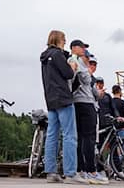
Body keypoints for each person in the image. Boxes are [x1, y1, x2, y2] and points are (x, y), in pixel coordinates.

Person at [40, 30, 87, 184]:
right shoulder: (58, 55)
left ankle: (51, 172)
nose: (65, 42)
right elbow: (67, 74)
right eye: (64, 40)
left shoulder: (45, 57)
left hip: (50, 99)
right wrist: (73, 65)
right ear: (59, 40)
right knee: (70, 135)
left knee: (52, 135)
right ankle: (70, 173)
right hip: (63, 98)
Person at [70, 42, 105, 184]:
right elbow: (84, 80)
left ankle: (81, 170)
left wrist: (99, 93)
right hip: (86, 104)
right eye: (89, 60)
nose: (91, 64)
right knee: (88, 138)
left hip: (77, 103)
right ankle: (91, 171)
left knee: (80, 138)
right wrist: (88, 72)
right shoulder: (77, 63)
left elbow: (94, 92)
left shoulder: (76, 64)